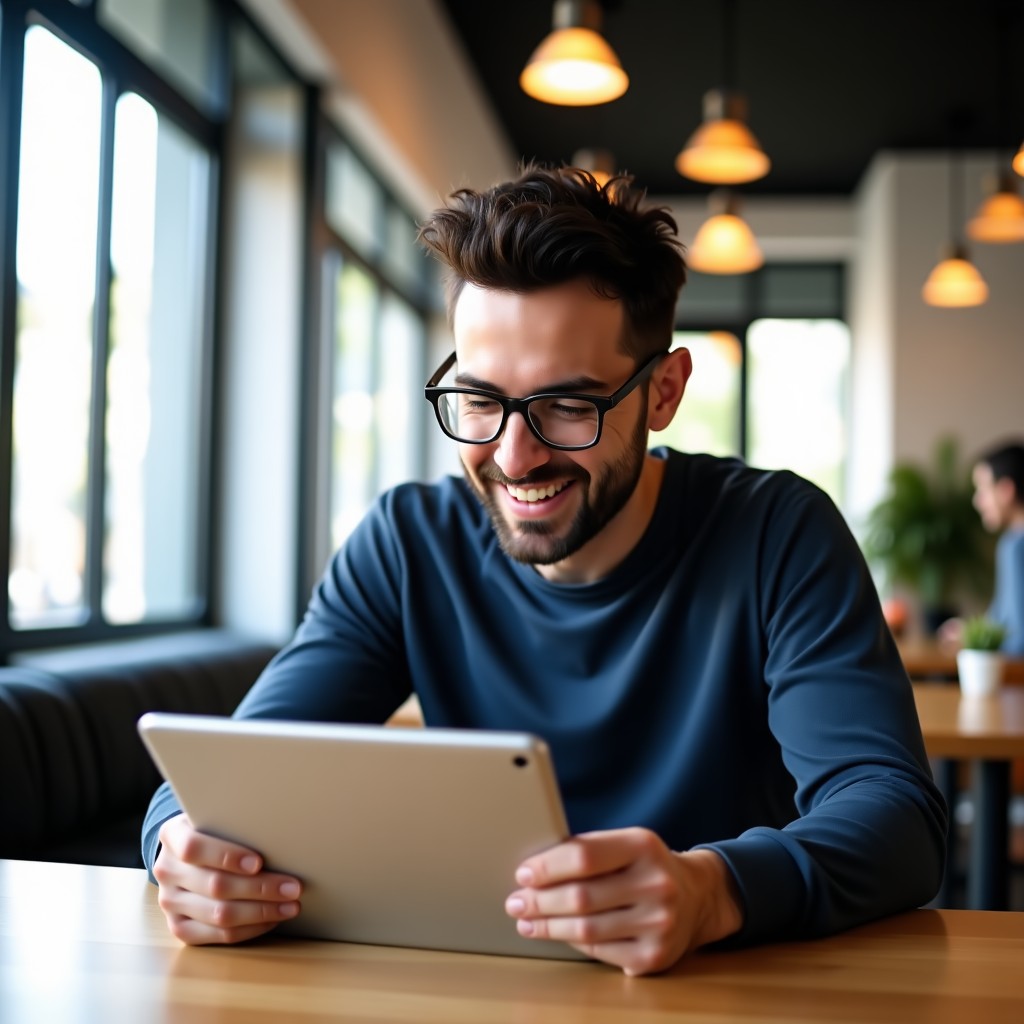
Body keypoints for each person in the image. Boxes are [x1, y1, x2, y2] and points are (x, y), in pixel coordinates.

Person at [142, 165, 946, 976]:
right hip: (488, 983)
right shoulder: (409, 543)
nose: (514, 456)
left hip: (715, 989)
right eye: (480, 400)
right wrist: (181, 845)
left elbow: (897, 819)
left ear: (663, 393)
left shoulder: (776, 533)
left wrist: (711, 891)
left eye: (568, 406)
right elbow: (228, 772)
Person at [940, 440, 1024, 654]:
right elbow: (1002, 621)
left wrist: (973, 640)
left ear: (1006, 490)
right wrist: (969, 631)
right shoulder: (1012, 542)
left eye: (983, 490)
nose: (977, 501)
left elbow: (1018, 640)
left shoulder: (1015, 546)